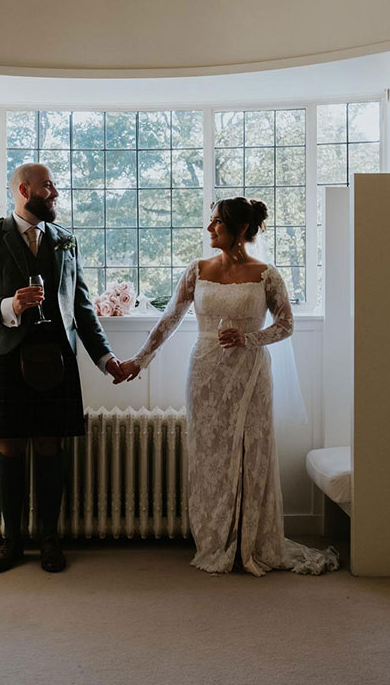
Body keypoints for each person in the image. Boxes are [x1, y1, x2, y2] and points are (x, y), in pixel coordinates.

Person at [118, 197, 338, 576]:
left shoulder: (266, 274)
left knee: (251, 452)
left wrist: (249, 338)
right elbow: (169, 319)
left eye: (217, 222)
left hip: (250, 373)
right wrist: (140, 360)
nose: (209, 229)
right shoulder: (197, 270)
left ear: (238, 229)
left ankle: (251, 541)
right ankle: (216, 541)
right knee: (209, 457)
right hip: (205, 372)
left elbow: (286, 325)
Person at [0, 162, 129, 574]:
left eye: (54, 187)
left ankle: (49, 539)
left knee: (51, 449)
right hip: (3, 358)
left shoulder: (65, 242)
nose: (55, 193)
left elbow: (83, 309)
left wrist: (106, 359)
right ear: (24, 189)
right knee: (9, 449)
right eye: (48, 186)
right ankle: (12, 541)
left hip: (56, 359)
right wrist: (9, 306)